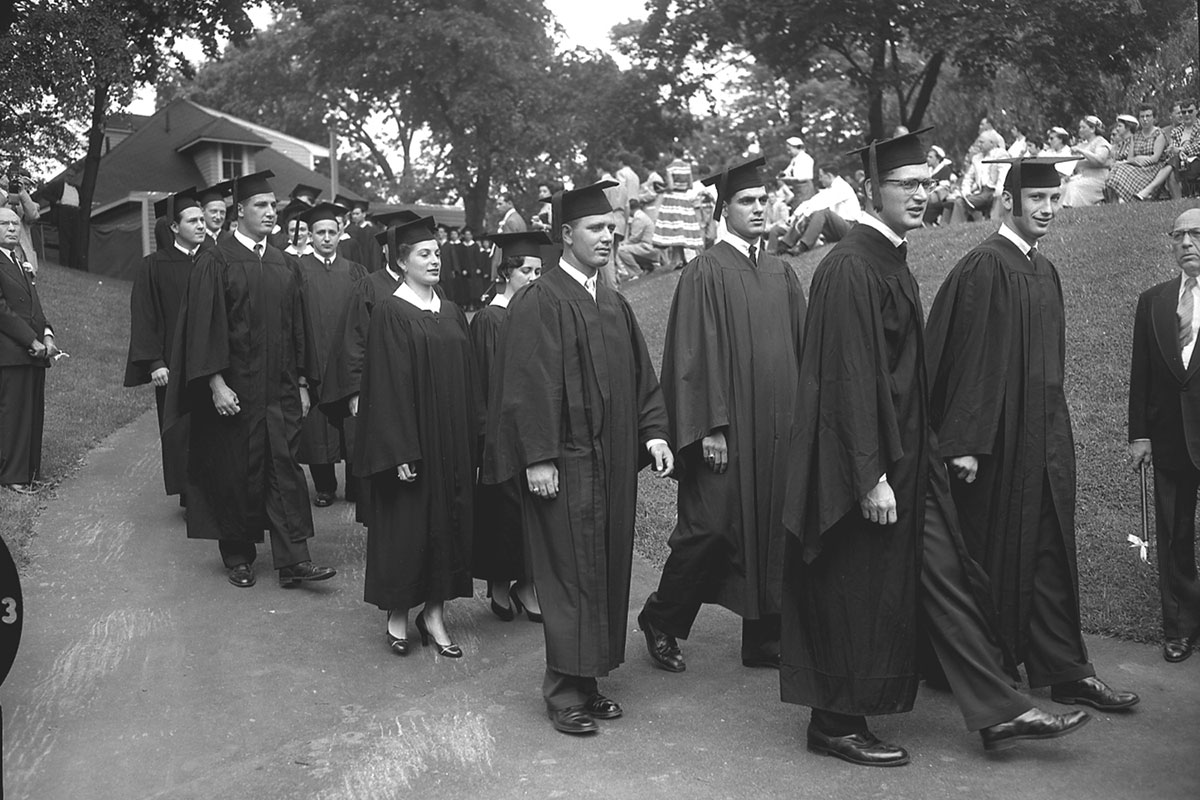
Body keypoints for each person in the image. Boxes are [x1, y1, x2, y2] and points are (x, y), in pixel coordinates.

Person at [780, 129, 1091, 768]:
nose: (920, 195)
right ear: (873, 190)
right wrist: (868, 476)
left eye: (926, 184)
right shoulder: (850, 267)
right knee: (854, 586)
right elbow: (845, 380)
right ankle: (834, 721)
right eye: (906, 185)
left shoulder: (887, 259)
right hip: (868, 469)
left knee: (949, 582)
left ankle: (1001, 713)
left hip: (909, 463)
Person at [926, 155, 1140, 717]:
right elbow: (964, 357)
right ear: (1008, 203)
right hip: (993, 448)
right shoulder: (983, 267)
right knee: (991, 555)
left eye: (1053, 199)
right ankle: (983, 667)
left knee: (1050, 555)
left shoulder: (1043, 270)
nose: (1047, 210)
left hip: (1042, 440)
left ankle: (1067, 671)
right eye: (1035, 200)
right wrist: (964, 440)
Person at [483, 180, 674, 737]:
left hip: (611, 465)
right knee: (568, 575)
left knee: (605, 570)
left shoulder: (612, 301)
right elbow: (524, 385)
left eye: (612, 228)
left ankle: (589, 681)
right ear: (566, 236)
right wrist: (537, 458)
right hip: (564, 466)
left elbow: (641, 378)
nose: (608, 236)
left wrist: (654, 432)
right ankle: (563, 690)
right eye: (596, 228)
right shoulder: (538, 300)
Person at [637, 157, 805, 675]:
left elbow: (803, 349)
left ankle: (763, 637)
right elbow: (691, 355)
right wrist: (710, 426)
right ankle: (661, 618)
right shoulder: (705, 271)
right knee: (709, 528)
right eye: (746, 201)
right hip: (727, 432)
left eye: (762, 200)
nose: (757, 208)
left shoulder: (781, 270)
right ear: (723, 210)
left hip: (777, 431)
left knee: (775, 526)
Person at [163, 170, 336, 590]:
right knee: (234, 469)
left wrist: (300, 383)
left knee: (285, 470)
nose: (270, 212)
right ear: (239, 211)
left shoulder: (284, 264)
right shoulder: (215, 260)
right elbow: (202, 329)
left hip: (278, 390)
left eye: (273, 206)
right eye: (261, 205)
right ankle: (238, 555)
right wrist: (216, 383)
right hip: (234, 390)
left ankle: (294, 559)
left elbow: (298, 329)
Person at [343, 215, 480, 659]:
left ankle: (435, 614)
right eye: (424, 254)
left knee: (449, 526)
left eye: (437, 253)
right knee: (407, 527)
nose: (434, 260)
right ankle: (399, 611)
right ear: (401, 262)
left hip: (452, 445)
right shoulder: (390, 312)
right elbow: (385, 386)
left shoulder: (452, 311)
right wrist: (399, 448)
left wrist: (473, 441)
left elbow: (470, 381)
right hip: (412, 445)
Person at [1128, 208, 1200, 663]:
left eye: (1197, 234)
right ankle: (1179, 627)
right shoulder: (1152, 301)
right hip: (1171, 440)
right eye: (1179, 235)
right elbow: (1142, 375)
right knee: (1173, 535)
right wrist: (1139, 435)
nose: (1187, 242)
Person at [321, 209, 423, 527]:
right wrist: (353, 392)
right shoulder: (369, 286)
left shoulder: (431, 290)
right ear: (386, 250)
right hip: (377, 393)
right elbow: (353, 344)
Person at [472, 230, 549, 623]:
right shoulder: (491, 319)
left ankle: (524, 583)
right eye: (527, 271)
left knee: (529, 514)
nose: (535, 278)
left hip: (531, 432)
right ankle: (504, 584)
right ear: (506, 273)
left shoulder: (533, 316)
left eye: (539, 270)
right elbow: (487, 385)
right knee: (504, 514)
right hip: (499, 436)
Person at [124, 189, 206, 503]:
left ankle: (208, 490)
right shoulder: (153, 265)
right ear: (174, 227)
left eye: (202, 220)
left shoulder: (211, 261)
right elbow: (144, 315)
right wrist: (155, 362)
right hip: (172, 363)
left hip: (210, 361)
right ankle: (188, 494)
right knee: (179, 428)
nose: (201, 226)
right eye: (193, 220)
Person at [295, 202, 368, 508]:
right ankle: (325, 486)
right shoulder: (296, 269)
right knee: (316, 427)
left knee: (353, 423)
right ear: (309, 236)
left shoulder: (355, 271)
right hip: (314, 361)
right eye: (320, 232)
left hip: (346, 361)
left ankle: (356, 484)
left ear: (341, 235)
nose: (326, 238)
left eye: (332, 232)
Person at [0, 207, 60, 492]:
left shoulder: (19, 260)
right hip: (10, 352)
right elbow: (2, 310)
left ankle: (30, 472)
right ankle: (12, 476)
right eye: (4, 224)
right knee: (14, 415)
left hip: (35, 352)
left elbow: (34, 306)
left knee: (33, 413)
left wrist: (47, 335)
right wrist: (30, 340)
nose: (13, 229)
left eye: (15, 224)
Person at [773, 166, 861, 254]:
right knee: (812, 214)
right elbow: (810, 202)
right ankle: (784, 245)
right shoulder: (830, 189)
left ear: (829, 176)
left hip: (851, 229)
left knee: (822, 213)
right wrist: (796, 215)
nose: (819, 179)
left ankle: (803, 246)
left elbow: (821, 205)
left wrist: (804, 215)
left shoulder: (842, 187)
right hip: (837, 229)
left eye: (821, 176)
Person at [1137, 98, 1200, 201]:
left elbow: (1198, 146)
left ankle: (1149, 190)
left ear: (1197, 111)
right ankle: (1177, 202)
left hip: (1196, 161)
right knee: (1171, 170)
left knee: (1172, 162)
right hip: (1179, 163)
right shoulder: (1176, 131)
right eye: (1184, 112)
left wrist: (1180, 150)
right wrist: (1174, 150)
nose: (1187, 114)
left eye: (1190, 111)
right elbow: (1173, 149)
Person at [653, 146, 704, 269]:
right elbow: (690, 185)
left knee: (674, 229)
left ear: (671, 153)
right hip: (684, 198)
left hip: (673, 198)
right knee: (681, 229)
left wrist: (662, 189)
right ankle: (681, 259)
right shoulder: (687, 167)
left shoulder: (670, 167)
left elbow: (670, 186)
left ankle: (677, 260)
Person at [1107, 107, 1166, 203]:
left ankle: (1125, 199)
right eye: (1142, 116)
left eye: (1148, 116)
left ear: (1154, 118)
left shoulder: (1159, 134)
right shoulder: (1136, 136)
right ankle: (1116, 201)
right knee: (1117, 169)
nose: (1145, 119)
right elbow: (1130, 158)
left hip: (1152, 168)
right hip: (1137, 166)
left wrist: (1142, 158)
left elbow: (1155, 158)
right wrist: (1137, 159)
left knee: (1120, 169)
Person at [1060, 116, 1111, 207]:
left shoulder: (1101, 142)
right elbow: (1074, 164)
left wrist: (1081, 151)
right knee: (1062, 186)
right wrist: (1069, 174)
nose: (1080, 130)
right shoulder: (1082, 144)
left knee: (1073, 186)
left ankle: (1071, 207)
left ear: (1092, 129)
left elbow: (1100, 160)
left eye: (1083, 127)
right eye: (1080, 127)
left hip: (1098, 179)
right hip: (1081, 176)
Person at [5, 168, 40, 274]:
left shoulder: (30, 204)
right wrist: (5, 190)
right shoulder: (2, 196)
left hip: (21, 251)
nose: (26, 187)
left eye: (27, 185)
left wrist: (22, 193)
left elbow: (33, 215)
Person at [616, 197, 659, 274]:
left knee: (621, 250)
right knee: (625, 248)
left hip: (647, 247)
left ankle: (636, 271)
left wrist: (622, 243)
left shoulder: (639, 218)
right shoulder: (642, 215)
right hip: (648, 246)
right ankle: (647, 266)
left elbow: (635, 238)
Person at [922, 145, 957, 225]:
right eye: (928, 156)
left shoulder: (944, 170)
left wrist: (931, 190)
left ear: (937, 159)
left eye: (931, 157)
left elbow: (945, 186)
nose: (928, 159)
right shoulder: (928, 170)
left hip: (939, 196)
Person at [781, 136, 816, 206]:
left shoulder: (806, 159)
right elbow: (788, 170)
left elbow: (803, 177)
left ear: (797, 147)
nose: (788, 152)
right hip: (798, 188)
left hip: (805, 188)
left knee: (804, 207)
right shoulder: (794, 159)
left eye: (789, 149)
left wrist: (787, 179)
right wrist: (782, 175)